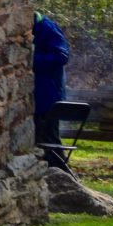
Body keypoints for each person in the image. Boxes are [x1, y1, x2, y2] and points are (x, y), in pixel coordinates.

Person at [32, 11, 71, 169]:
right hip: (37, 96)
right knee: (41, 140)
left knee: (50, 141)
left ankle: (62, 176)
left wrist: (30, 59)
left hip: (49, 96)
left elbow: (61, 56)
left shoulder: (46, 27)